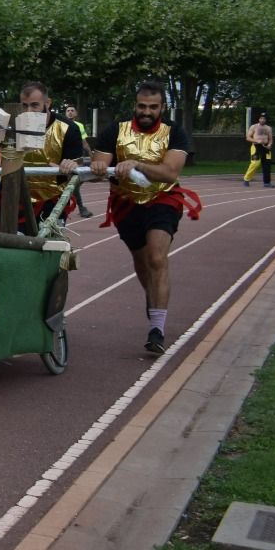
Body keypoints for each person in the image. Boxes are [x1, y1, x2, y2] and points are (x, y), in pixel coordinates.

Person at [88, 80, 200, 355]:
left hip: (163, 199)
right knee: (141, 262)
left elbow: (170, 172)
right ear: (134, 106)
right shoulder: (116, 130)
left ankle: (157, 329)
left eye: (153, 107)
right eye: (141, 106)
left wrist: (137, 164)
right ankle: (155, 303)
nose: (146, 111)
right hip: (126, 203)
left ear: (162, 107)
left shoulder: (174, 132)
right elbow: (100, 165)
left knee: (156, 257)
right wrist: (100, 166)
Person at [0, 81, 84, 233]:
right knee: (13, 248)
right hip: (13, 199)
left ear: (48, 103)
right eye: (24, 105)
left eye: (35, 105)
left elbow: (77, 169)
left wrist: (68, 167)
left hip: (51, 201)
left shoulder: (69, 129)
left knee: (48, 249)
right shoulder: (8, 122)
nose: (29, 111)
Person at [62, 104, 95, 217]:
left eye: (72, 110)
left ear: (75, 113)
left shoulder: (79, 126)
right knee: (72, 183)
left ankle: (77, 206)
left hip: (77, 158)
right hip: (63, 157)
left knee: (76, 181)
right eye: (68, 111)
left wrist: (91, 154)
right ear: (65, 113)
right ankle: (81, 208)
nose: (70, 112)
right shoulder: (60, 124)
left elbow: (84, 142)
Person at [244, 112, 275, 189]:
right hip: (256, 147)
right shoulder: (254, 127)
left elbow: (270, 139)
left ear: (266, 120)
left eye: (264, 119)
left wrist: (269, 145)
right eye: (261, 118)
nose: (262, 120)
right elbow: (248, 137)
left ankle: (267, 182)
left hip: (265, 148)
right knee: (255, 163)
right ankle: (246, 179)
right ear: (259, 119)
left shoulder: (268, 128)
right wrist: (257, 141)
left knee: (267, 165)